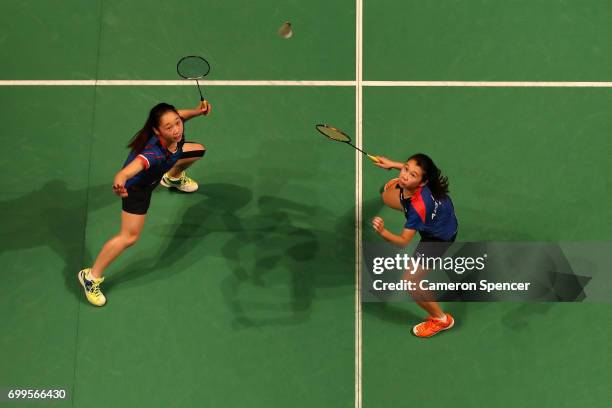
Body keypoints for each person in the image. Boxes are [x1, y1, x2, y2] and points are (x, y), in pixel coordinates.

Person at [78, 101, 211, 306]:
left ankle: (173, 178)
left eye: (177, 123)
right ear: (157, 130)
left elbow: (180, 115)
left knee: (197, 150)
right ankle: (90, 277)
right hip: (137, 189)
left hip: (159, 171)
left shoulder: (174, 129)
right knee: (129, 237)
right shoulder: (153, 153)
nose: (176, 129)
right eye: (169, 127)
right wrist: (120, 181)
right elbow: (129, 170)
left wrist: (198, 111)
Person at [372, 153, 458, 337]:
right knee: (387, 195)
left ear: (422, 183)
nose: (404, 175)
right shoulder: (426, 182)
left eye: (412, 175)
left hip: (438, 238)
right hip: (440, 214)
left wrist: (383, 232)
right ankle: (402, 193)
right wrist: (393, 164)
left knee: (410, 282)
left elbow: (403, 241)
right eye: (405, 169)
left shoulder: (418, 210)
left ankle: (441, 319)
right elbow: (414, 170)